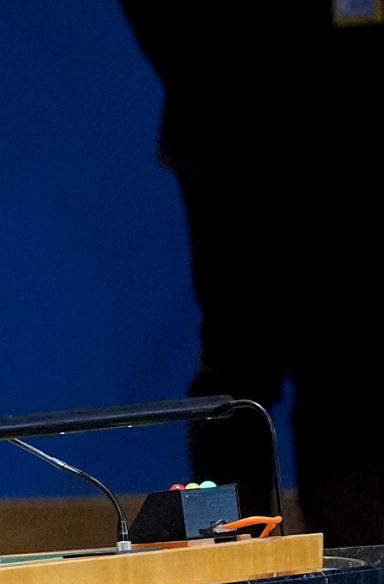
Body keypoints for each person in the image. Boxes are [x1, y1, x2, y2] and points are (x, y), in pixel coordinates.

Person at [119, 3, 383, 546]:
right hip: (230, 147)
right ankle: (227, 579)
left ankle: (363, 582)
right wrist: (214, 85)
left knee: (346, 373)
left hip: (357, 145)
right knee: (237, 373)